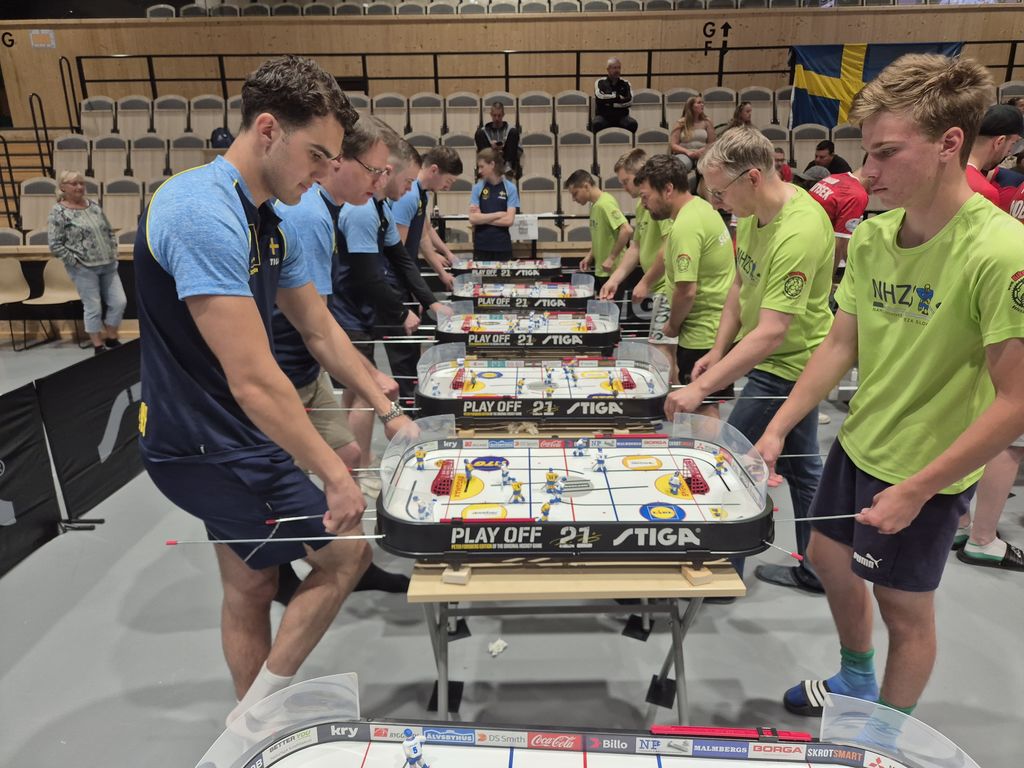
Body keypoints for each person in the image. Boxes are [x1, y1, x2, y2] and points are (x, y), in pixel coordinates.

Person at [134, 56, 414, 726]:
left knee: (252, 583)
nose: (321, 173)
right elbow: (256, 381)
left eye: (332, 159)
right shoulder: (202, 212)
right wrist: (335, 478)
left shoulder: (266, 218)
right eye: (315, 155)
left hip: (223, 437)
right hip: (211, 446)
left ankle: (254, 721)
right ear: (267, 130)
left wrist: (387, 408)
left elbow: (318, 329)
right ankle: (254, 722)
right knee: (347, 556)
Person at [753, 54, 1024, 723]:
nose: (866, 172)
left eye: (885, 153)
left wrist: (920, 488)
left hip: (925, 464)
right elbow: (840, 345)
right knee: (826, 556)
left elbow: (1016, 401)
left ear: (949, 144)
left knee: (904, 608)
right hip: (860, 442)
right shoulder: (872, 236)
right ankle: (854, 678)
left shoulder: (1001, 252)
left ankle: (882, 742)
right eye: (865, 151)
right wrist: (779, 426)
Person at [664, 126, 834, 592]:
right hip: (771, 357)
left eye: (721, 192)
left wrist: (701, 388)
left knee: (732, 460)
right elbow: (741, 285)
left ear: (753, 177)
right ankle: (819, 569)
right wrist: (718, 351)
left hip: (789, 362)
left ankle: (721, 574)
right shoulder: (754, 214)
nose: (718, 202)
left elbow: (773, 331)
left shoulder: (799, 229)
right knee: (802, 468)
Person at [269, 118, 409, 602]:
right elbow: (319, 327)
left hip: (305, 370)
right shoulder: (308, 216)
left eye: (386, 173)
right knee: (284, 479)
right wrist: (379, 394)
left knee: (350, 456)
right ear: (340, 162)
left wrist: (370, 377)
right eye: (374, 170)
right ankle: (278, 571)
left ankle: (357, 563)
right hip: (282, 375)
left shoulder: (327, 211)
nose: (380, 182)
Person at [337, 124, 448, 474]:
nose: (410, 188)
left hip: (361, 309)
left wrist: (430, 301)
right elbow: (366, 274)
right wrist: (401, 312)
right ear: (388, 173)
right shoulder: (361, 210)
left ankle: (355, 459)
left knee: (358, 390)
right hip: (346, 310)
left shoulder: (381, 207)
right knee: (364, 391)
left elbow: (400, 258)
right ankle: (362, 467)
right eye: (407, 180)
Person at [635, 154, 735, 418]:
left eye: (646, 196)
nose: (644, 204)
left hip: (703, 333)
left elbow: (686, 291)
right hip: (712, 328)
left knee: (703, 408)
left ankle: (707, 447)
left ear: (668, 189)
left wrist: (672, 325)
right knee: (700, 403)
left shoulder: (685, 226)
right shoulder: (700, 207)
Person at [389, 145, 463, 400]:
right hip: (396, 282)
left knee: (413, 347)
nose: (448, 187)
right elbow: (396, 253)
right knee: (404, 352)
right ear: (434, 170)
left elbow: (422, 237)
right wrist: (418, 294)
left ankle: (416, 398)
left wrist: (442, 269)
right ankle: (410, 405)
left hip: (407, 278)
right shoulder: (409, 196)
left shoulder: (421, 195)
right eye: (448, 180)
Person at [599, 149, 674, 378]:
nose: (624, 187)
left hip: (668, 287)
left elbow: (668, 245)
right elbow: (636, 247)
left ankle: (667, 398)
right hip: (658, 289)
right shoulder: (642, 206)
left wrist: (645, 281)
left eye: (626, 181)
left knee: (661, 352)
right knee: (665, 352)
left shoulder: (659, 204)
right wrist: (614, 279)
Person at [47, 170, 126, 354]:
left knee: (119, 302)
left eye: (81, 183)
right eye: (74, 183)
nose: (79, 187)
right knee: (93, 307)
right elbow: (55, 244)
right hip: (84, 269)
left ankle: (111, 337)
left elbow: (108, 231)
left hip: (109, 265)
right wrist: (75, 262)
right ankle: (98, 345)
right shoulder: (58, 212)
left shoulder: (94, 206)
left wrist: (113, 250)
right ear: (63, 187)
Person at [564, 169, 633, 295]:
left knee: (611, 308)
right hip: (603, 270)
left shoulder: (604, 204)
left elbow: (626, 230)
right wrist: (589, 256)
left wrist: (611, 258)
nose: (574, 199)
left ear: (586, 186)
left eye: (575, 193)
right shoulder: (595, 205)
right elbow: (600, 237)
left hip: (613, 271)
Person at [803, 166, 871, 280]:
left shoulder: (834, 177)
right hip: (810, 251)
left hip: (797, 236)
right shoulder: (857, 194)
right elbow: (840, 243)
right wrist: (828, 282)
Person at [965, 103, 1023, 206]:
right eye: (1012, 144)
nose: (1009, 152)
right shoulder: (984, 191)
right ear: (999, 142)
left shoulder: (943, 170)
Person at [468, 148, 520, 260]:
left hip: (503, 246)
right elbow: (473, 219)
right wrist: (499, 214)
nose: (479, 171)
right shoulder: (477, 188)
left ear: (492, 164)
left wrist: (483, 218)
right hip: (481, 246)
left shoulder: (510, 188)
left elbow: (509, 221)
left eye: (482, 167)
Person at [669, 96, 715, 174]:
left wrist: (701, 151)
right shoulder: (681, 122)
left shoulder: (707, 121)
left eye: (702, 103)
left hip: (703, 154)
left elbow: (712, 143)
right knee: (681, 166)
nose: (702, 105)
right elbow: (673, 145)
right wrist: (688, 152)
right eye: (699, 103)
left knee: (712, 167)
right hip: (684, 154)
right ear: (691, 106)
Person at [474, 101, 521, 178]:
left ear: (503, 115)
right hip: (490, 155)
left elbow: (519, 150)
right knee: (479, 134)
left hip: (506, 157)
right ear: (491, 114)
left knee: (514, 132)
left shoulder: (510, 129)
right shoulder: (484, 131)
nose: (497, 118)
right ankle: (487, 167)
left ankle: (508, 166)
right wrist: (491, 149)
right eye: (494, 115)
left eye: (499, 115)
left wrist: (504, 147)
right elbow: (479, 152)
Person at [593, 57, 637, 134]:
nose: (617, 70)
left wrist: (610, 103)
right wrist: (618, 97)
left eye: (619, 68)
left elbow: (630, 101)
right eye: (614, 68)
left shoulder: (625, 83)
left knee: (632, 124)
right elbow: (599, 97)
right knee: (597, 124)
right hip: (604, 116)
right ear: (608, 69)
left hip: (621, 117)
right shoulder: (600, 82)